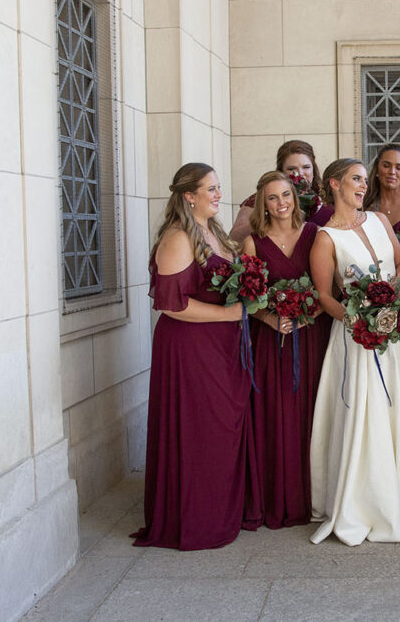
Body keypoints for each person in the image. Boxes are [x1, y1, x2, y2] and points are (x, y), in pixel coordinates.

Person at [308, 158, 400, 546]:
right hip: (358, 339)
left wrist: (393, 300)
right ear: (334, 184)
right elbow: (324, 296)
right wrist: (356, 318)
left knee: (399, 411)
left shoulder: (380, 221)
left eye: (365, 180)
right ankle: (363, 504)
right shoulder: (325, 237)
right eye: (355, 180)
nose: (363, 186)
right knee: (367, 416)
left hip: (396, 332)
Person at [132, 163, 260, 550]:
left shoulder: (213, 231)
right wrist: (227, 313)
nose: (219, 194)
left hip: (220, 345)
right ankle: (196, 517)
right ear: (189, 196)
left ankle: (221, 509)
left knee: (221, 427)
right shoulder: (177, 238)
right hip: (190, 348)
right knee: (200, 429)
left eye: (219, 187)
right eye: (211, 189)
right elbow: (172, 305)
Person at [241, 171, 330, 530]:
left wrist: (311, 313)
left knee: (312, 412)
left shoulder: (315, 236)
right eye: (273, 198)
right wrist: (269, 319)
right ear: (263, 203)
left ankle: (313, 498)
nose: (281, 204)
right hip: (272, 339)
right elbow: (247, 296)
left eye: (286, 196)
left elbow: (330, 287)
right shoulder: (253, 241)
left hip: (311, 335)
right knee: (274, 413)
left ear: (295, 197)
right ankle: (277, 497)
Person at [230, 140, 334, 242]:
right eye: (292, 168)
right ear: (281, 171)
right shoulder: (261, 198)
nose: (300, 173)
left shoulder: (328, 197)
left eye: (306, 167)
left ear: (313, 169)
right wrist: (268, 217)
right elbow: (234, 238)